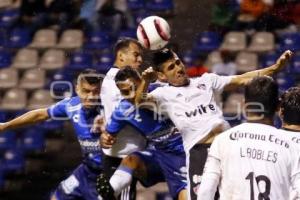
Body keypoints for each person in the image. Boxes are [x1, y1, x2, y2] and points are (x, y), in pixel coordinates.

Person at [137, 48, 293, 200]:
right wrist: (145, 81)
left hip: (227, 148)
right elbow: (139, 101)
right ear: (161, 76)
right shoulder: (163, 94)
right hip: (200, 153)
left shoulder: (206, 80)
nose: (178, 68)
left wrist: (275, 68)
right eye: (171, 67)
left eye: (178, 62)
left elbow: (243, 78)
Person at [0, 69, 104, 200]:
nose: (90, 97)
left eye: (95, 92)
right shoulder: (71, 105)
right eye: (86, 91)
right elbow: (39, 114)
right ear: (77, 89)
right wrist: (5, 125)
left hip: (109, 173)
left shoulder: (110, 108)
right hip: (87, 170)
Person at [197, 76, 300, 199]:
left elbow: (205, 191)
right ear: (278, 107)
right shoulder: (291, 146)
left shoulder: (222, 140)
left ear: (244, 105)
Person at [97, 67, 187, 200]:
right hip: (161, 155)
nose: (131, 95)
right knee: (131, 159)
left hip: (186, 151)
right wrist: (104, 139)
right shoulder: (123, 110)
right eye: (125, 92)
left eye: (134, 88)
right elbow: (108, 135)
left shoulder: (163, 91)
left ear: (142, 81)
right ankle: (110, 193)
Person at [99, 37, 147, 200]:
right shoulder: (116, 83)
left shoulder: (115, 78)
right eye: (136, 55)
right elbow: (126, 114)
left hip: (122, 154)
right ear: (120, 56)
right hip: (122, 156)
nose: (140, 59)